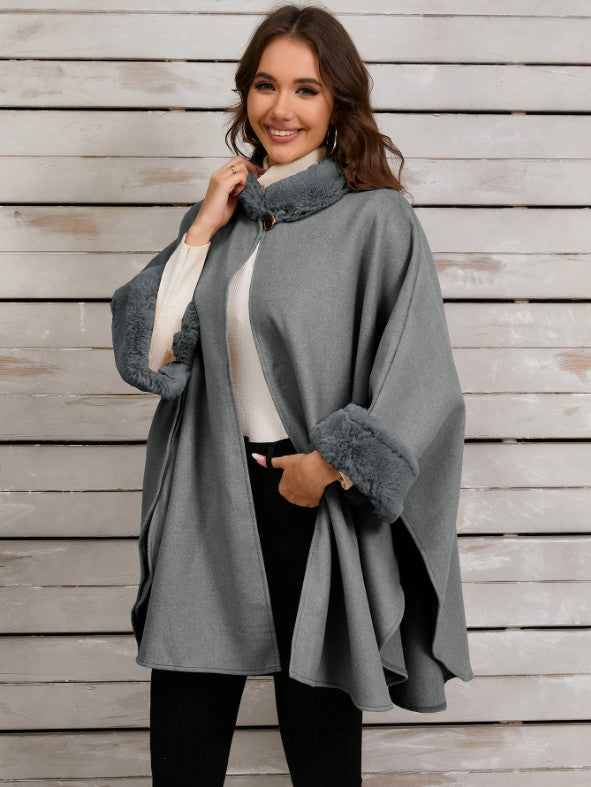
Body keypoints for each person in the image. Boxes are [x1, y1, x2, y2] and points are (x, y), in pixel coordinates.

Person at [110, 5, 474, 785]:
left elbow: (421, 375)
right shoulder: (225, 219)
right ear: (245, 93)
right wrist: (199, 233)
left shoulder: (376, 219)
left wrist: (330, 464)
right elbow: (154, 359)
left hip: (312, 499)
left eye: (306, 89)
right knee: (184, 727)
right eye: (265, 85)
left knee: (318, 745)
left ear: (338, 101)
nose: (281, 109)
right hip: (209, 489)